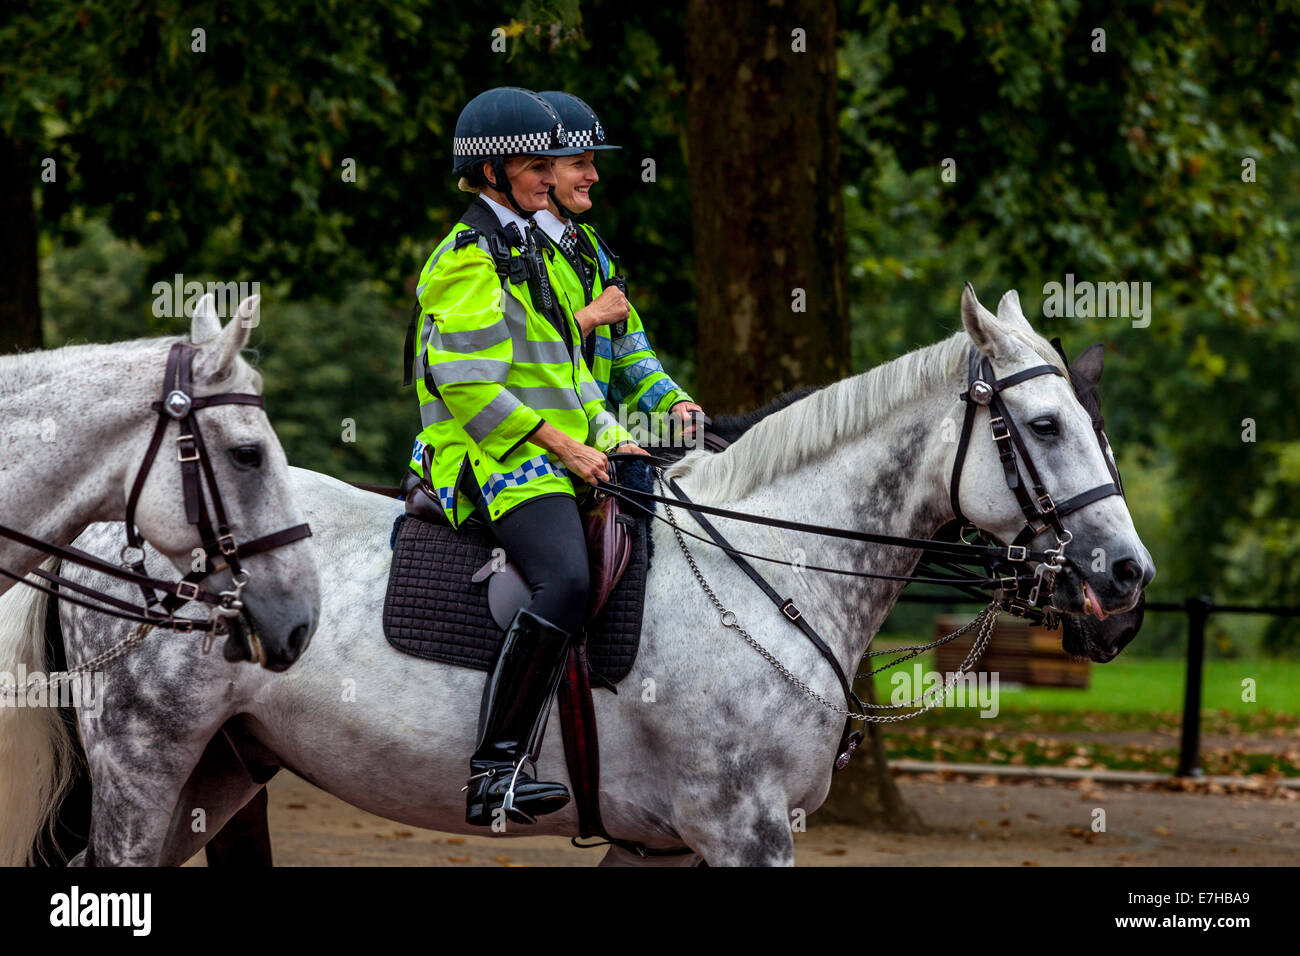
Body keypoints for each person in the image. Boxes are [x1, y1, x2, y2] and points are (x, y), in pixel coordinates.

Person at [404, 87, 647, 826]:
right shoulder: (467, 259)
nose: (552, 176)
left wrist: (614, 437)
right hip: (490, 454)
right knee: (566, 582)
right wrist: (568, 446)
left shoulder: (536, 249)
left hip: (561, 448)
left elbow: (567, 376)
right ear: (492, 173)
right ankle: (495, 772)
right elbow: (471, 387)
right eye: (538, 164)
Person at [532, 91, 707, 442]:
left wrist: (673, 403)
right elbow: (524, 356)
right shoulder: (507, 247)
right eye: (579, 163)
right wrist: (591, 316)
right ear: (545, 169)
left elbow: (627, 347)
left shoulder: (593, 248)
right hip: (533, 445)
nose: (593, 175)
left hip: (592, 436)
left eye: (593, 163)